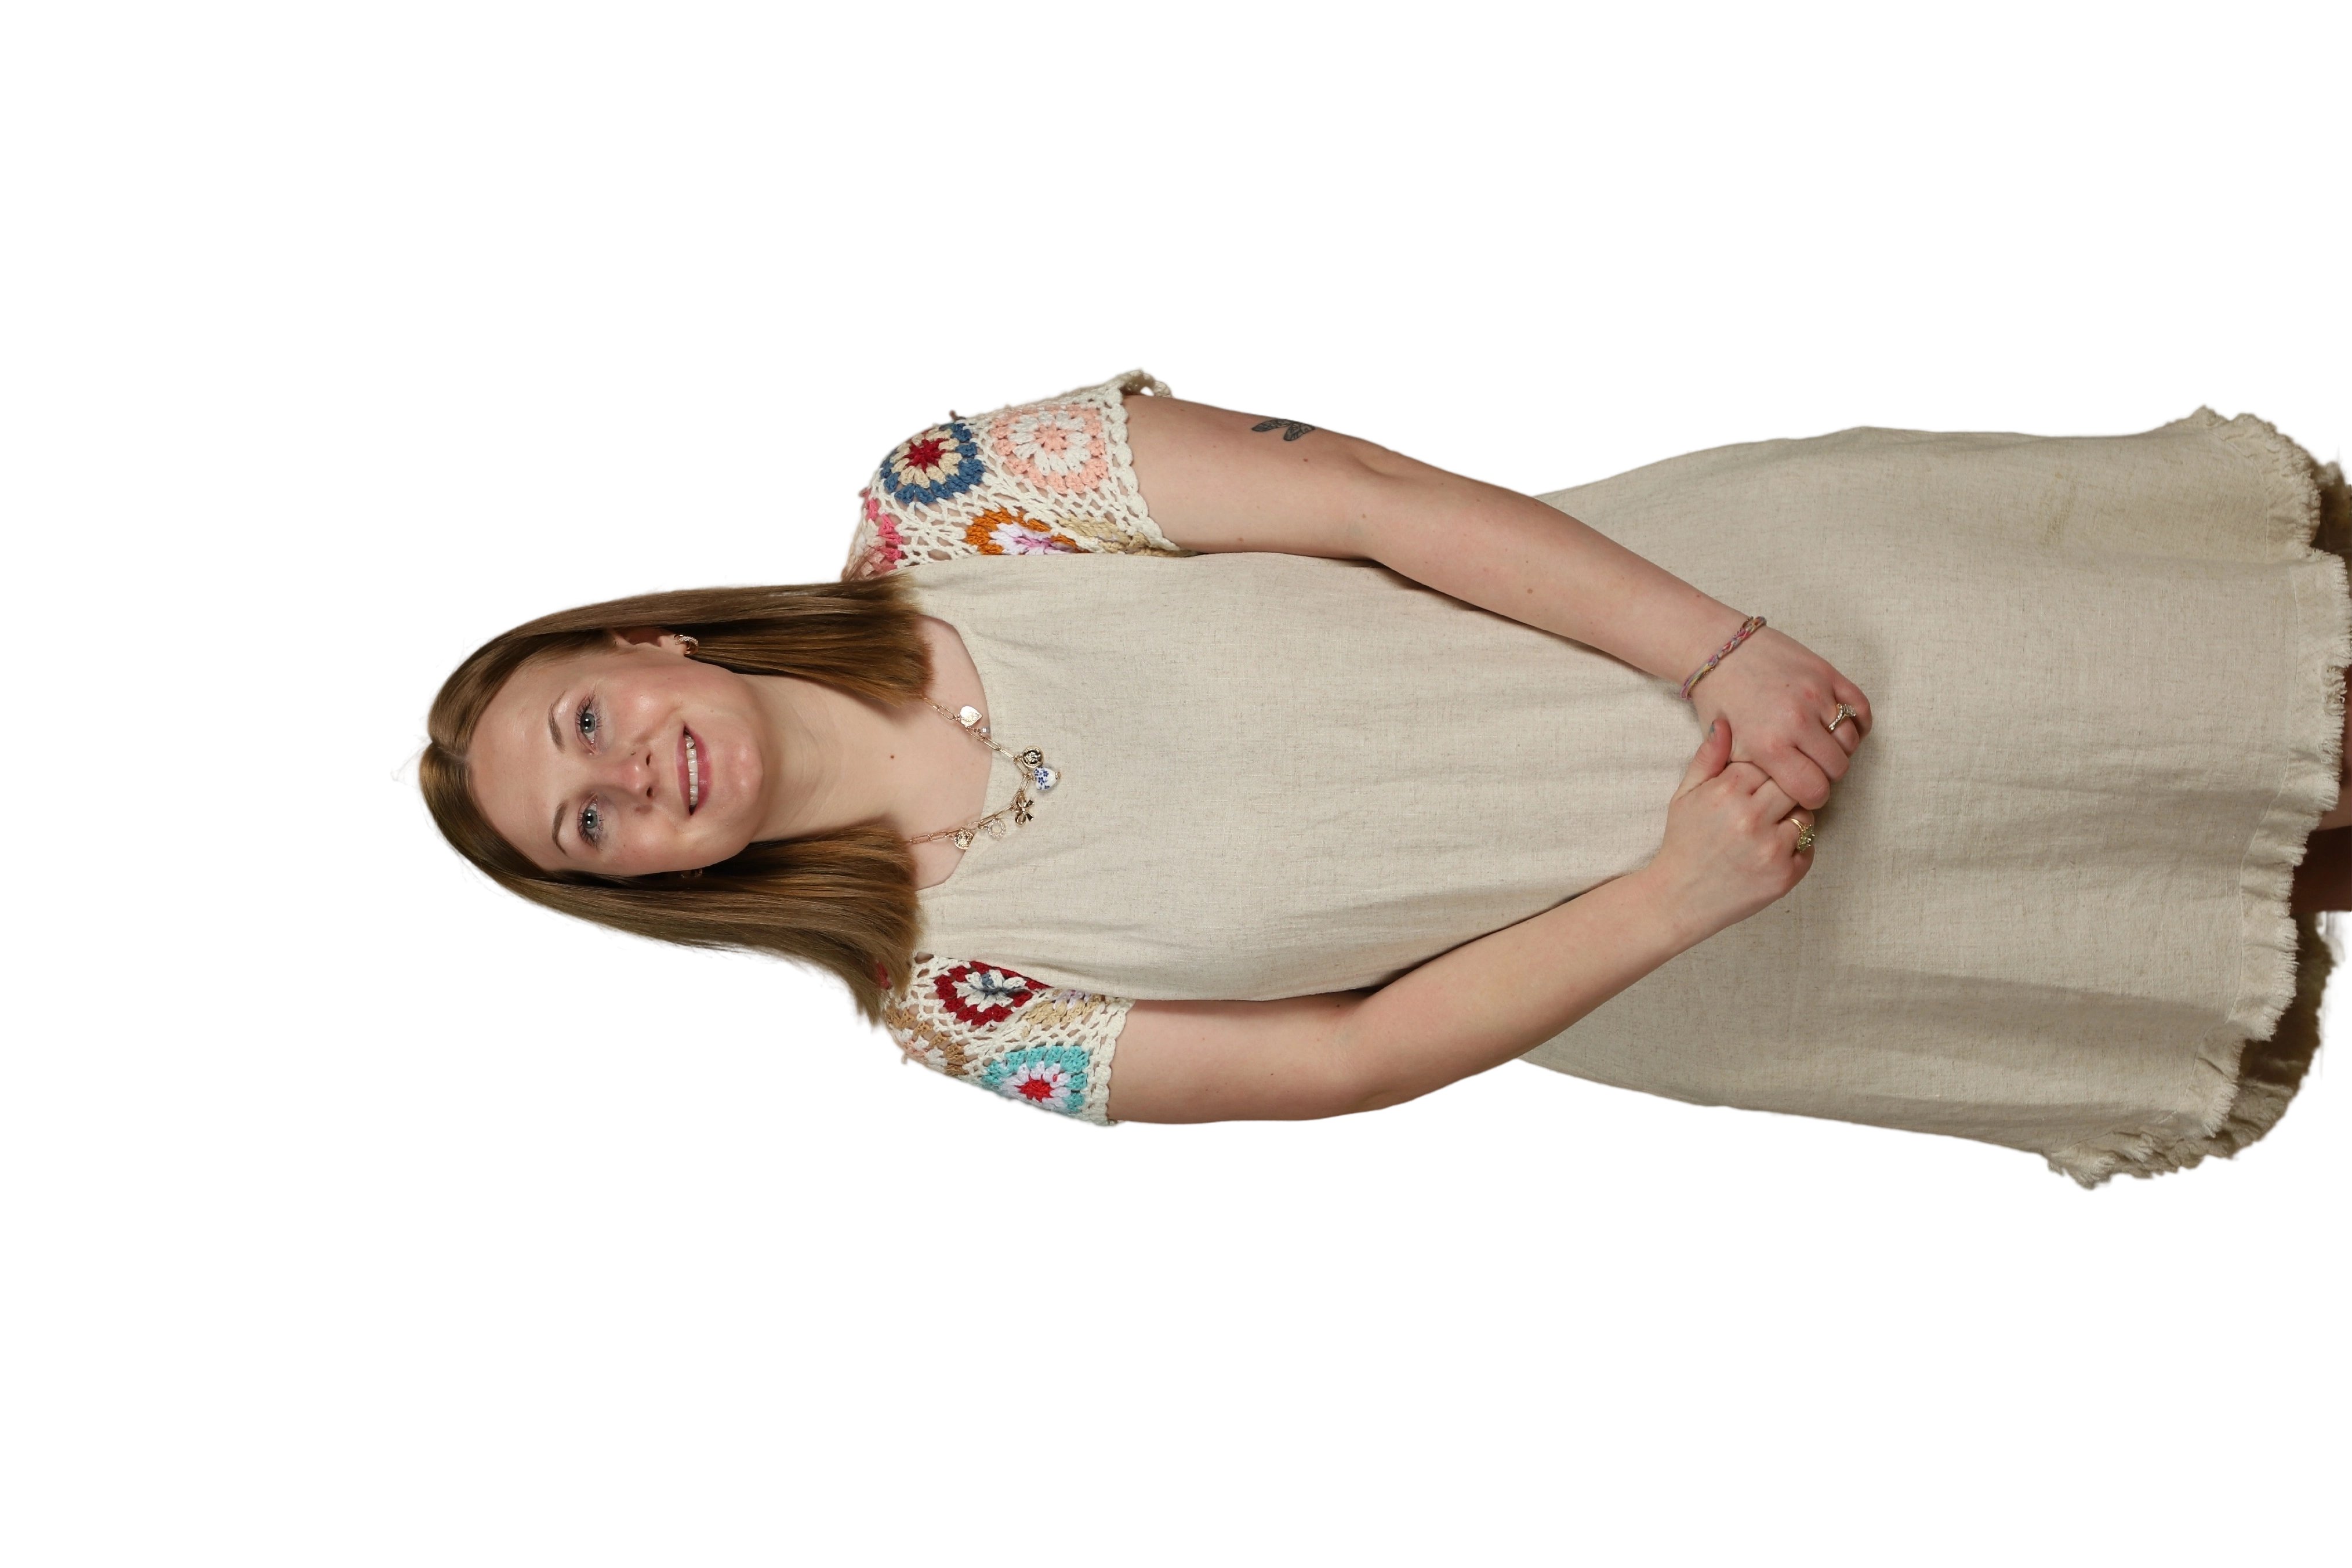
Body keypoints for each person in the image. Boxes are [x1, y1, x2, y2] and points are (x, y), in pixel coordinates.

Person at [390, 366, 2352, 1193]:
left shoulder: (955, 501)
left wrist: (1721, 654)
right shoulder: (959, 1010)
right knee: (2253, 896)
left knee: (2249, 685)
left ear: (651, 646)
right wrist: (1682, 890)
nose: (629, 775)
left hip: (1774, 617)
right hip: (1746, 935)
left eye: (586, 720)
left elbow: (1357, 498)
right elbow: (1341, 1060)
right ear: (648, 891)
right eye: (590, 825)